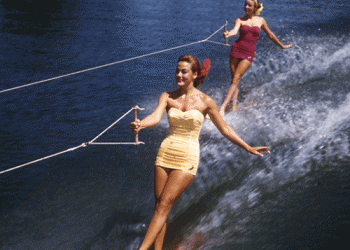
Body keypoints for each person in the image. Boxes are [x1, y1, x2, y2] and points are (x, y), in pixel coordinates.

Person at [131, 54, 270, 250]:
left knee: (164, 205)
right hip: (165, 152)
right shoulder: (167, 96)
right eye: (177, 70)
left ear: (194, 74)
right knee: (160, 207)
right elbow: (154, 117)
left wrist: (247, 146)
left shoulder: (206, 102)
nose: (179, 75)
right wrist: (141, 124)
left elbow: (225, 129)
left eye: (184, 71)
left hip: (187, 156)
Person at [219, 0, 292, 116]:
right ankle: (233, 108)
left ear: (254, 8)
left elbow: (270, 35)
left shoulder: (261, 21)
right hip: (236, 50)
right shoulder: (240, 20)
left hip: (248, 53)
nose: (246, 7)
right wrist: (228, 34)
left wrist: (282, 46)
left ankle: (222, 108)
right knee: (234, 80)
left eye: (249, 5)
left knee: (236, 78)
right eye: (245, 4)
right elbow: (234, 31)